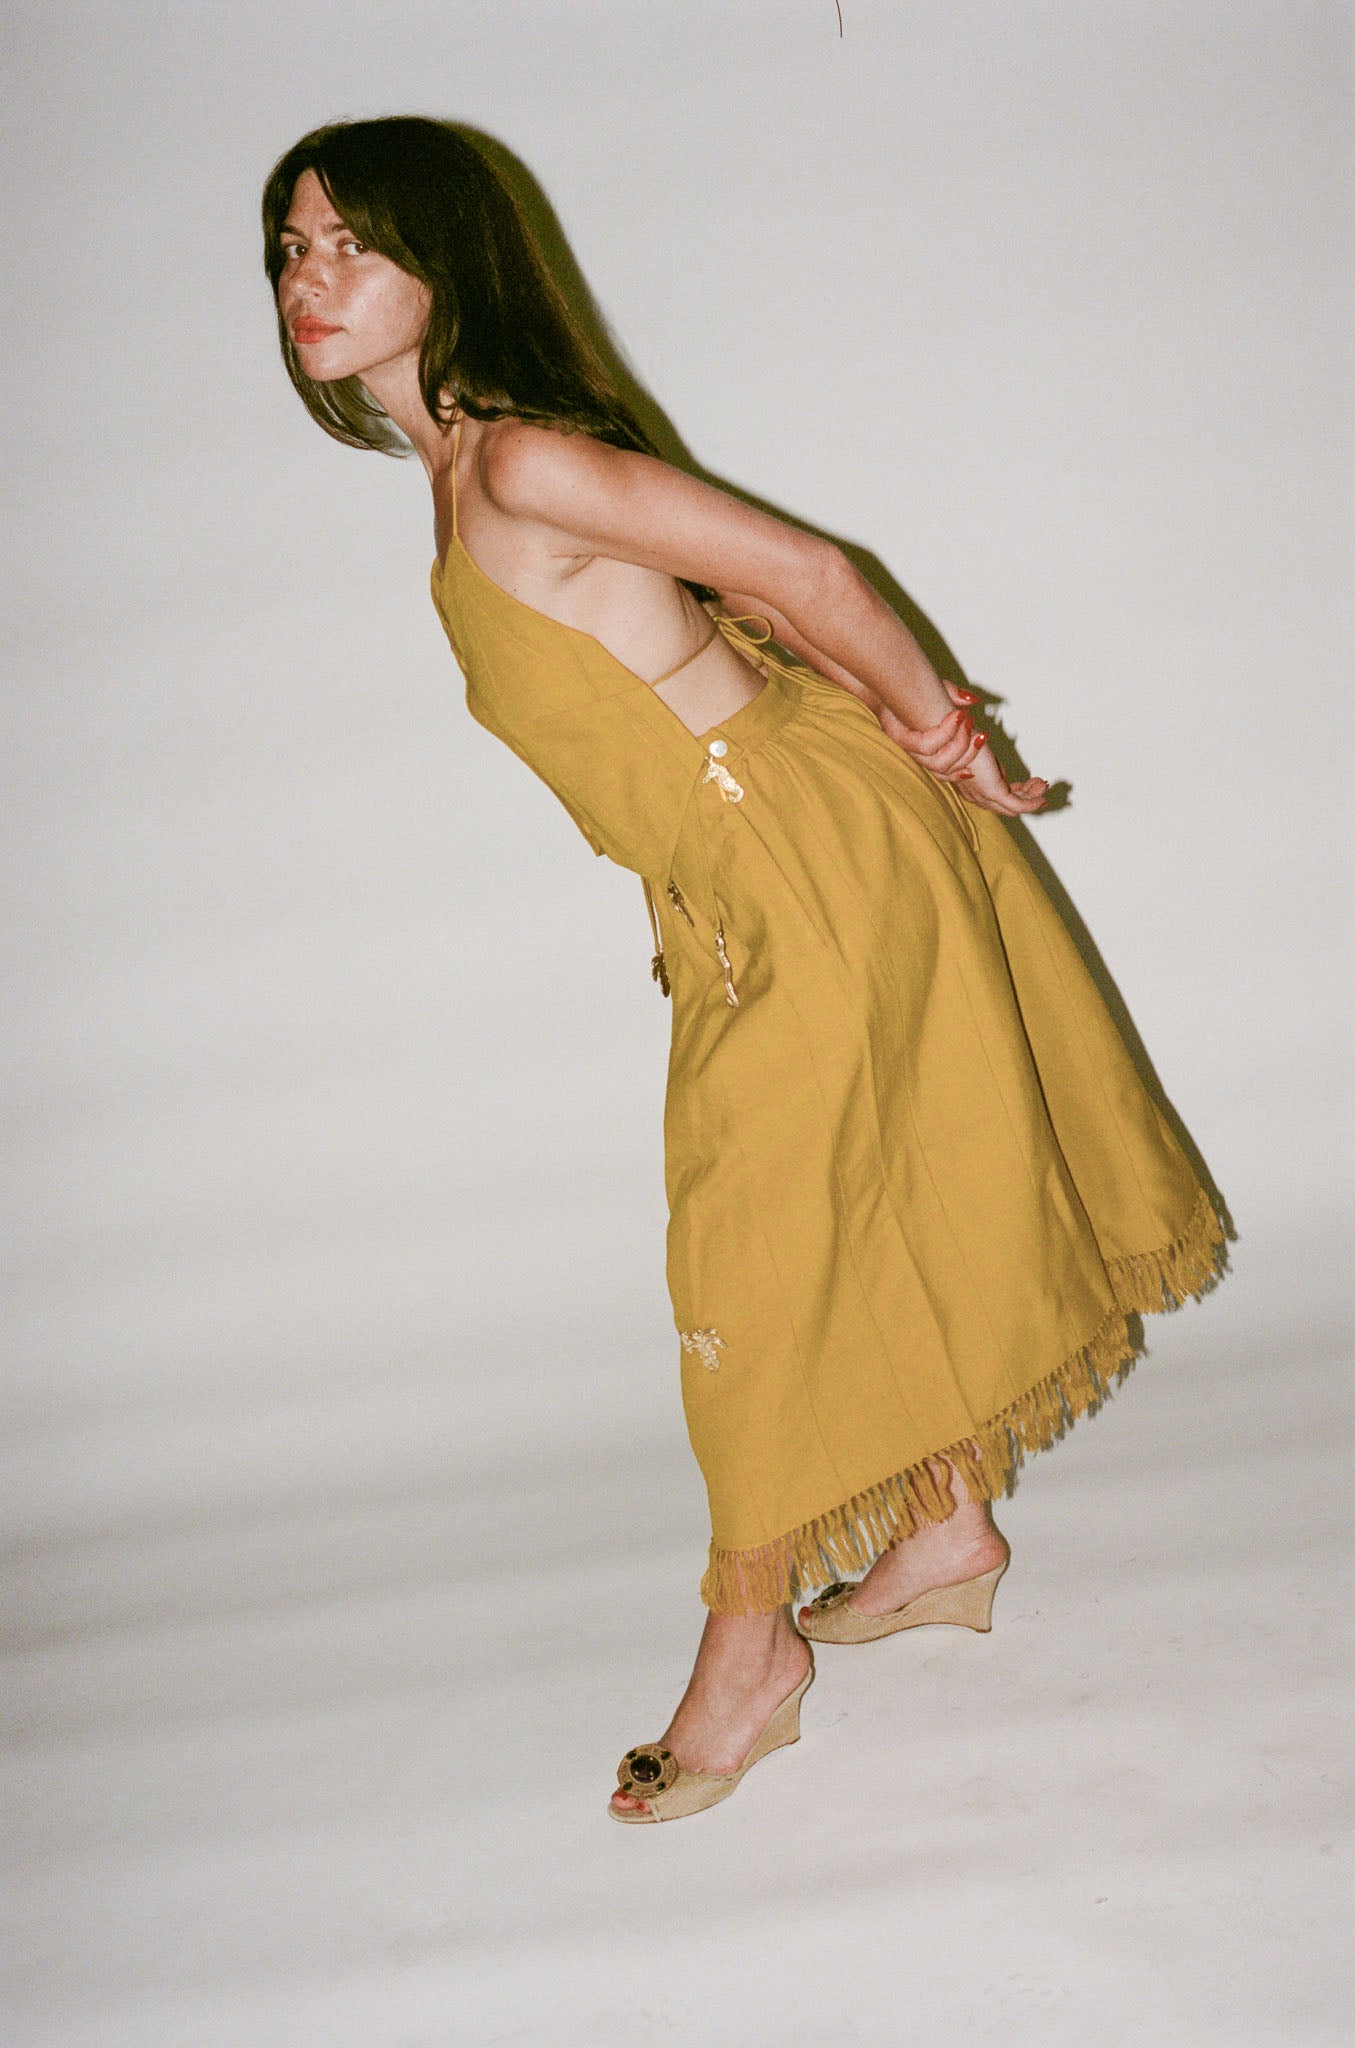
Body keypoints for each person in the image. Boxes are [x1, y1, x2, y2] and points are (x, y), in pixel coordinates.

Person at [262, 116, 1229, 1825]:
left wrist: (948, 741)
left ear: (448, 259)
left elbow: (804, 573)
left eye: (354, 243)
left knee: (755, 1245)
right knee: (851, 1188)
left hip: (805, 860)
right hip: (749, 874)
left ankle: (746, 1650)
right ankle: (940, 1527)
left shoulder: (520, 461)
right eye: (290, 249)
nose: (311, 281)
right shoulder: (458, 473)